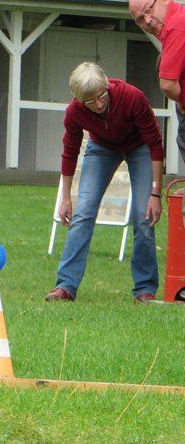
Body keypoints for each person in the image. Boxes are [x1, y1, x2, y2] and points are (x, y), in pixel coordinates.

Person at [45, 62, 162, 303]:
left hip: (139, 147)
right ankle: (65, 286)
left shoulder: (131, 97)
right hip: (101, 148)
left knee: (143, 217)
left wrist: (155, 193)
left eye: (101, 96)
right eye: (90, 101)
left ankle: (145, 290)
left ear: (107, 83)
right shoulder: (75, 112)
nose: (98, 104)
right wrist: (66, 198)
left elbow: (155, 143)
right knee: (83, 212)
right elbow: (70, 152)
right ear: (79, 100)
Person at [129, 0, 185, 161]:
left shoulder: (176, 25)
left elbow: (167, 84)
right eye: (140, 19)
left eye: (148, 10)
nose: (148, 20)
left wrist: (183, 102)